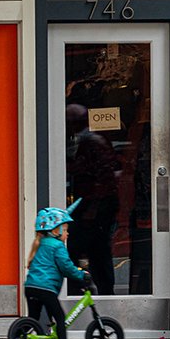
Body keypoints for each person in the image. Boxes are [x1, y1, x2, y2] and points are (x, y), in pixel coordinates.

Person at [63, 102, 120, 296]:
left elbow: (104, 178)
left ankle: (97, 291)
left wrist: (93, 208)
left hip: (96, 206)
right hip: (91, 204)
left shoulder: (92, 142)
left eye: (70, 121)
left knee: (92, 249)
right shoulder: (86, 141)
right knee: (93, 250)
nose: (68, 126)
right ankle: (92, 289)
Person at [23, 205, 91, 339]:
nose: (67, 233)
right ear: (56, 231)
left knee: (33, 317)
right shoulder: (57, 246)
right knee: (59, 317)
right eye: (65, 230)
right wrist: (82, 275)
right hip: (46, 288)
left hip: (31, 287)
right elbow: (66, 267)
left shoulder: (41, 243)